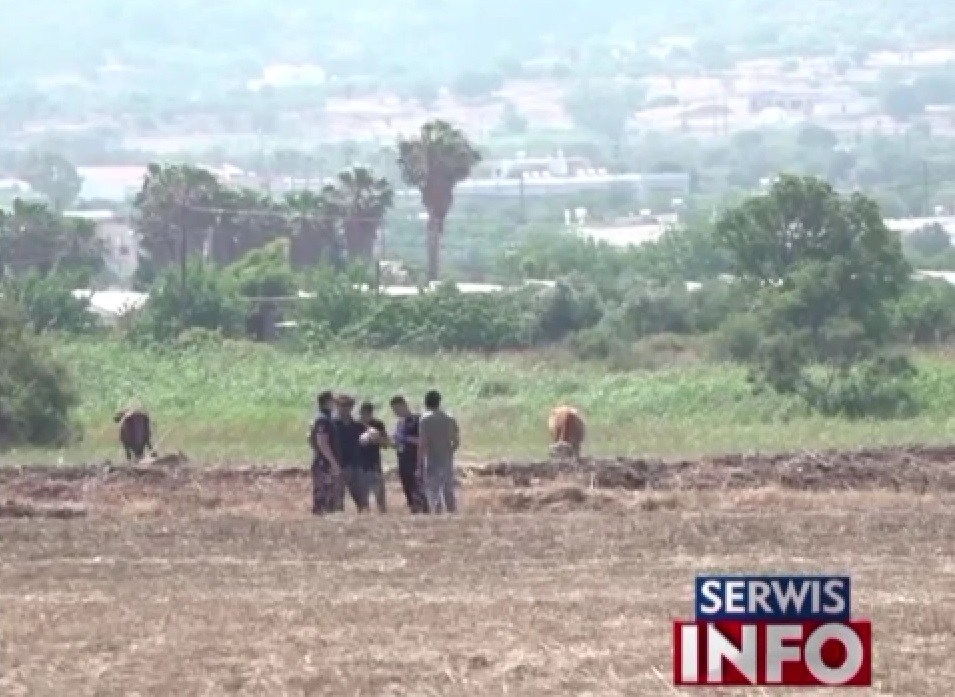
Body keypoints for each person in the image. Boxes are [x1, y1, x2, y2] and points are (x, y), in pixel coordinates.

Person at [417, 389, 460, 514]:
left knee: (433, 489)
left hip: (431, 458)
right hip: (446, 457)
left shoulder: (425, 419)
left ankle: (437, 513)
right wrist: (450, 451)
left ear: (426, 403)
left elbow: (423, 442)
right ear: (439, 402)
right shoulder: (450, 418)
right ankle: (452, 512)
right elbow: (456, 441)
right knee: (448, 488)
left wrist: (419, 460)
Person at [390, 395, 428, 514]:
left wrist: (405, 438)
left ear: (404, 405)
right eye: (394, 410)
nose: (396, 412)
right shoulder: (399, 424)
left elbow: (423, 441)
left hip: (415, 461)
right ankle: (414, 512)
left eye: (397, 409)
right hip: (403, 461)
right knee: (408, 492)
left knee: (419, 492)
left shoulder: (417, 420)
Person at [308, 390, 343, 514]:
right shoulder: (323, 420)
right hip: (324, 463)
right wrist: (333, 463)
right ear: (327, 402)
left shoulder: (324, 419)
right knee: (324, 495)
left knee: (330, 495)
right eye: (333, 401)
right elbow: (322, 443)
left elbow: (310, 440)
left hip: (324, 461)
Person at [333, 394, 369, 511]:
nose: (345, 408)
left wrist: (370, 434)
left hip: (356, 465)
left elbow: (371, 434)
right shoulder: (332, 425)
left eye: (348, 405)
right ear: (337, 406)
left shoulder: (357, 425)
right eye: (342, 405)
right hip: (339, 466)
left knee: (363, 501)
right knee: (337, 501)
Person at [357, 402, 388, 513]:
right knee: (363, 497)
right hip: (360, 464)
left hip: (374, 463)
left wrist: (377, 438)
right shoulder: (355, 425)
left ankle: (382, 513)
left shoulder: (378, 425)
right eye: (363, 414)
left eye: (367, 414)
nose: (365, 416)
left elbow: (386, 444)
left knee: (379, 495)